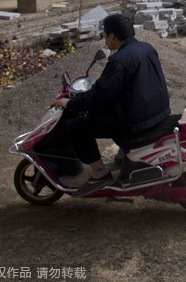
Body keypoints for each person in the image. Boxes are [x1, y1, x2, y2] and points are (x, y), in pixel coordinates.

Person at [53, 13, 171, 195]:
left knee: (76, 126)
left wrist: (70, 104)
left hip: (135, 122)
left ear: (113, 36)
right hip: (157, 113)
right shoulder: (146, 48)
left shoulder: (119, 61)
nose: (105, 39)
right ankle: (123, 156)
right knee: (105, 114)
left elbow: (99, 96)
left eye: (105, 35)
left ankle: (100, 173)